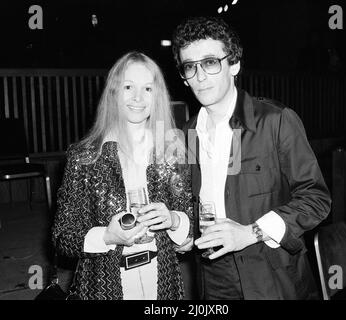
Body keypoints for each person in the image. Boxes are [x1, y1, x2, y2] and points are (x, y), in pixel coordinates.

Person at [172, 16, 331, 300]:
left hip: (270, 274)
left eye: (210, 62)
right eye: (190, 67)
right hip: (211, 277)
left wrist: (251, 232)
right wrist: (181, 229)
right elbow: (199, 200)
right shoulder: (189, 134)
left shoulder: (275, 121)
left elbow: (316, 199)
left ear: (234, 64)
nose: (199, 76)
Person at [52, 51, 193, 300]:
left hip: (162, 282)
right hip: (103, 286)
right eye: (129, 86)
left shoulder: (172, 152)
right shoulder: (85, 157)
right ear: (114, 92)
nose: (138, 97)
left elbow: (189, 236)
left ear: (157, 96)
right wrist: (107, 236)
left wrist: (173, 219)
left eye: (148, 89)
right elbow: (63, 237)